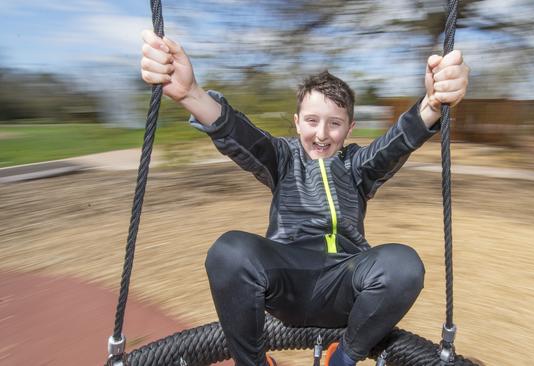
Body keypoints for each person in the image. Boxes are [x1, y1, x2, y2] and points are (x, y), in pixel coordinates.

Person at [140, 29, 469, 366]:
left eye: (335, 124)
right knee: (229, 252)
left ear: (350, 128)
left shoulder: (358, 166)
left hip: (347, 281)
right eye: (312, 121)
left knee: (403, 265)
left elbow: (398, 142)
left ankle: (342, 358)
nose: (322, 134)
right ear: (297, 123)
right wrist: (189, 93)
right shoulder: (281, 158)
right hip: (286, 279)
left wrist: (432, 103)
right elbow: (239, 134)